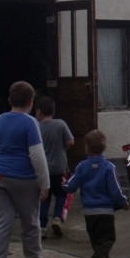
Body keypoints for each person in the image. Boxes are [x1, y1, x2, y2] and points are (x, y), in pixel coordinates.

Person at [0, 81, 51, 258]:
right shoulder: (30, 123)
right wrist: (44, 183)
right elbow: (37, 155)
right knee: (30, 223)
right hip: (24, 178)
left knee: (2, 223)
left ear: (9, 100)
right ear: (31, 102)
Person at [63, 129, 130, 258]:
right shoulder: (109, 167)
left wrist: (63, 185)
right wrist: (124, 203)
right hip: (105, 211)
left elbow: (71, 186)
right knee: (107, 240)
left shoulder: (81, 166)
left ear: (86, 148)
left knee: (96, 241)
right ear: (104, 148)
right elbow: (115, 191)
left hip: (89, 212)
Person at [36, 97, 74, 238]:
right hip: (60, 169)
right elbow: (70, 142)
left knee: (44, 197)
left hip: (43, 170)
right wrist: (61, 147)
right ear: (53, 111)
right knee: (62, 194)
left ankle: (42, 227)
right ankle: (57, 218)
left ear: (39, 111)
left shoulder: (36, 127)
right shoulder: (60, 124)